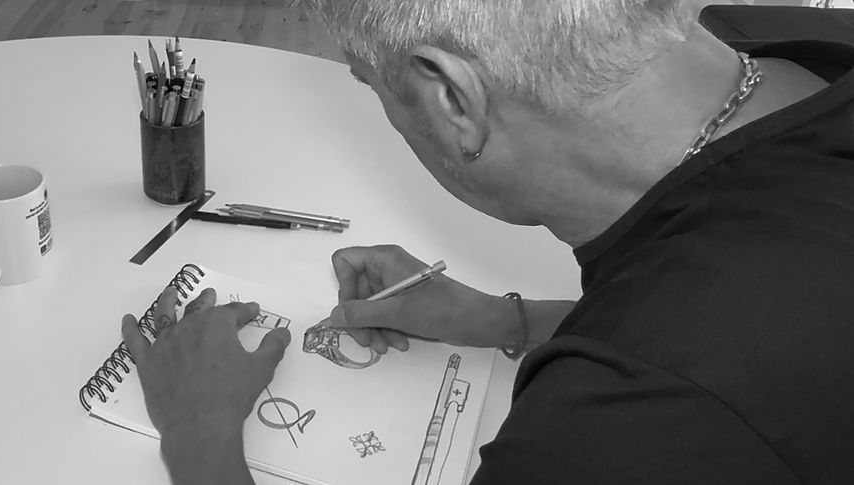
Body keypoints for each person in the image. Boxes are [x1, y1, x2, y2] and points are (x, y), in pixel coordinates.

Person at [122, 1, 854, 483]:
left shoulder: (623, 426)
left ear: (451, 100)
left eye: (369, 84)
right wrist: (507, 320)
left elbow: (706, 363)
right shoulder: (805, 49)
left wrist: (198, 433)